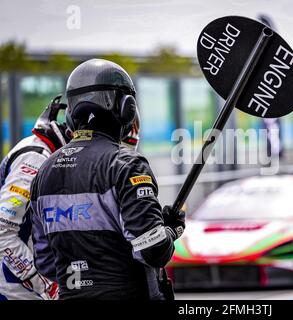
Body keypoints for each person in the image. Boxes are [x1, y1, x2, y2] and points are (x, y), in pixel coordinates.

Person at [30, 58, 185, 300]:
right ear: (126, 108)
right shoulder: (126, 165)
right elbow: (153, 250)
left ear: (71, 111)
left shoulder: (44, 171)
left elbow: (45, 261)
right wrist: (170, 231)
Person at [0, 96, 69, 300]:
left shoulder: (46, 153)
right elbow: (2, 230)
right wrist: (47, 286)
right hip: (14, 290)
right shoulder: (36, 159)